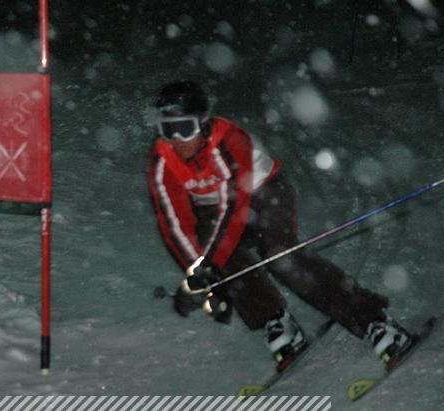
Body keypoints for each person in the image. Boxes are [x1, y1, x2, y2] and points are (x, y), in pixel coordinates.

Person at [146, 80, 412, 371]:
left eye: (185, 128)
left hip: (264, 194)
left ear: (203, 123)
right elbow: (174, 223)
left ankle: (375, 321)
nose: (178, 140)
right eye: (168, 130)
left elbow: (234, 210)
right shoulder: (162, 160)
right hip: (215, 209)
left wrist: (209, 265)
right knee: (211, 247)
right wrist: (197, 273)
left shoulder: (230, 141)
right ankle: (275, 320)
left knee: (281, 258)